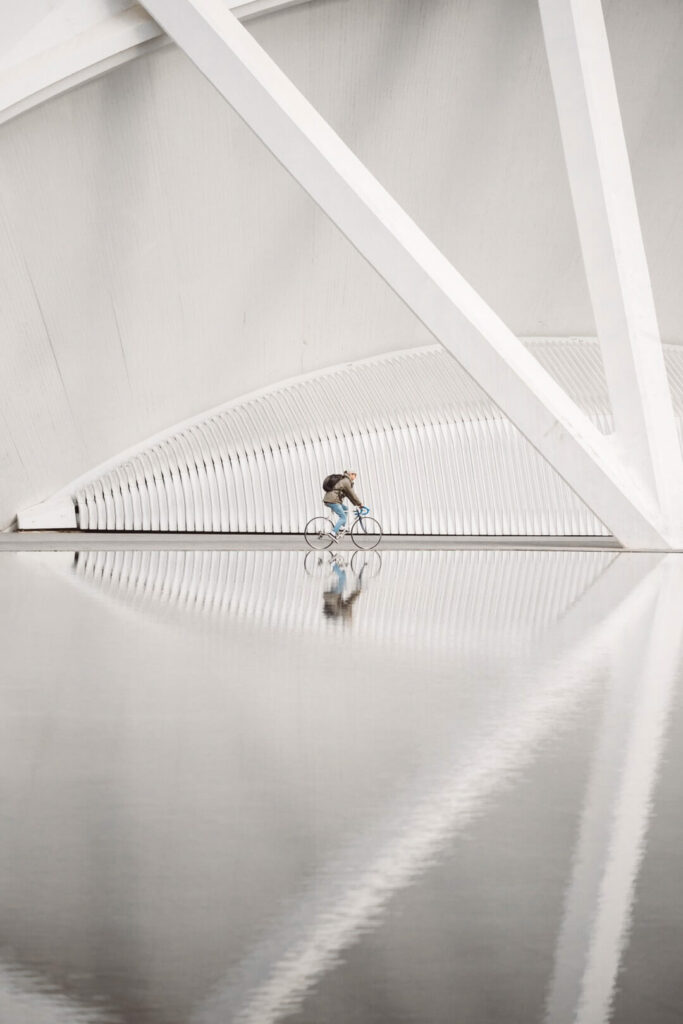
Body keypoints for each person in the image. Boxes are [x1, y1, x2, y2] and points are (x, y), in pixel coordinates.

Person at [323, 469, 364, 538]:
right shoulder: (346, 481)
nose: (355, 477)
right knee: (343, 517)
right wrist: (360, 503)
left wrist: (356, 504)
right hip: (332, 500)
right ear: (350, 474)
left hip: (333, 499)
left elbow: (349, 495)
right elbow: (352, 494)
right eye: (354, 475)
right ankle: (333, 533)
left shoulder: (345, 480)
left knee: (345, 508)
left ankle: (341, 527)